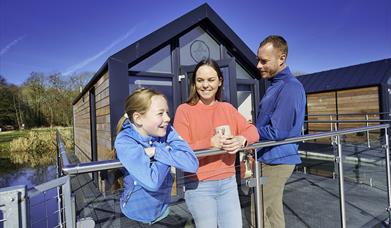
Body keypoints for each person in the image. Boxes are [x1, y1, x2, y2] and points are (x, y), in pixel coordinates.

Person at [173, 58, 259, 228]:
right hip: (199, 185)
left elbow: (253, 131)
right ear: (194, 83)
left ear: (220, 81)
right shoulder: (184, 111)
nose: (205, 85)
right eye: (200, 80)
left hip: (228, 183)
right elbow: (178, 149)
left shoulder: (227, 108)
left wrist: (241, 139)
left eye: (211, 80)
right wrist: (209, 142)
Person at [113, 87, 199, 227]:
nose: (167, 118)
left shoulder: (166, 130)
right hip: (134, 216)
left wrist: (156, 151)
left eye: (167, 112)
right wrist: (167, 150)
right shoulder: (125, 141)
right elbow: (152, 182)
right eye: (160, 113)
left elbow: (192, 163)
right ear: (138, 118)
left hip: (162, 211)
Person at [255, 35, 306, 228]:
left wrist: (249, 131)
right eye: (258, 60)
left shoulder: (290, 87)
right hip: (269, 157)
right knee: (273, 212)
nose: (259, 65)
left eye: (264, 61)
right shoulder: (276, 85)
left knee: (256, 212)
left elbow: (279, 131)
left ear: (282, 58)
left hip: (277, 160)